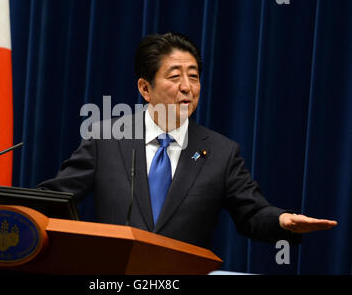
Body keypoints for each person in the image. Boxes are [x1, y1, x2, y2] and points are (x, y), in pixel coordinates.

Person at [37, 32, 337, 249]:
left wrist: (282, 220)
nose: (187, 88)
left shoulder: (221, 152)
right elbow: (55, 197)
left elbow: (252, 213)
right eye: (174, 76)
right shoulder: (107, 139)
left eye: (193, 77)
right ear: (145, 88)